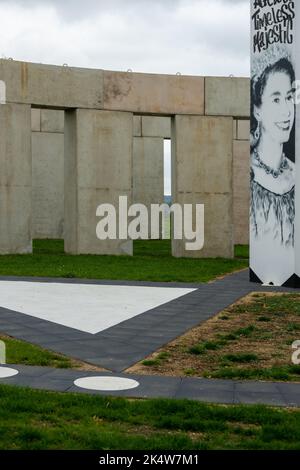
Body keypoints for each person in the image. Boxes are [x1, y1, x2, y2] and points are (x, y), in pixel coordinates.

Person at [250, 55, 295, 285]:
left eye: (289, 97)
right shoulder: (251, 174)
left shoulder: (295, 175)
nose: (288, 111)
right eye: (276, 99)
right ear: (257, 109)